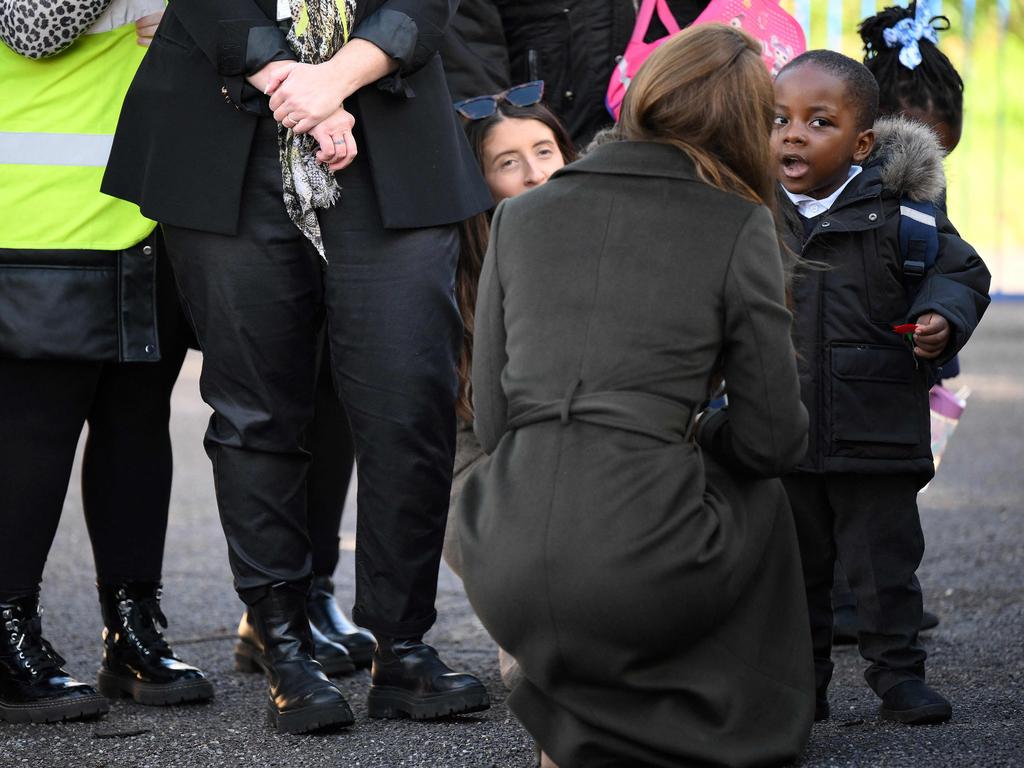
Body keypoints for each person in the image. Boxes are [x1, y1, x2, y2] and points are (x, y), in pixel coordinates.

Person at [102, 0, 492, 734]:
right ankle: (283, 644)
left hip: (392, 127)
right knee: (257, 406)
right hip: (225, 128)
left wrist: (336, 82)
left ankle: (402, 646)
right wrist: (300, 90)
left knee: (410, 396)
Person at [457, 24, 815, 768]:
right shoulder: (739, 222)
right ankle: (724, 716)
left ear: (646, 95)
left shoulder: (520, 216)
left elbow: (492, 418)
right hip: (641, 562)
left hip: (503, 554)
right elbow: (774, 438)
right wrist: (696, 434)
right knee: (761, 496)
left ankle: (568, 705)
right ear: (750, 125)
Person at [0, 0, 212, 724]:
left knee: (137, 422)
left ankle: (133, 631)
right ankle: (6, 634)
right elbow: (37, 26)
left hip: (148, 204)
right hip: (40, 213)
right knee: (33, 432)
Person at [771, 49, 990, 726]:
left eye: (818, 120)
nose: (793, 133)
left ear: (861, 142)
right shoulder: (753, 214)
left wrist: (939, 318)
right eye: (779, 119)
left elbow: (962, 273)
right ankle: (798, 687)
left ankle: (898, 676)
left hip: (877, 429)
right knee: (792, 575)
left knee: (885, 571)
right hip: (785, 434)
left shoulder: (903, 216)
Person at [831, 0, 967, 647]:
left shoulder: (921, 184)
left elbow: (955, 264)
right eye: (920, 134)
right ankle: (848, 603)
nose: (930, 152)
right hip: (858, 362)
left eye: (942, 142)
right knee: (839, 498)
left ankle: (882, 606)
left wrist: (946, 316)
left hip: (906, 361)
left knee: (889, 501)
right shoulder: (841, 189)